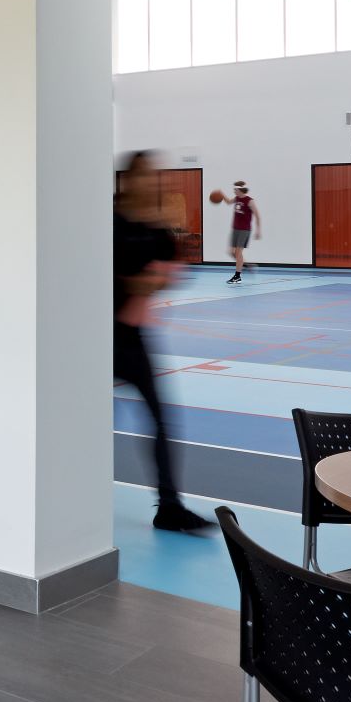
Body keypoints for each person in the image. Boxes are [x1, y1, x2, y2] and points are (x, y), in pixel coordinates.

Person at [116, 151, 210, 533]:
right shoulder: (111, 222)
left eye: (154, 177)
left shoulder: (153, 228)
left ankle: (169, 507)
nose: (150, 183)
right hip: (94, 338)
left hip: (132, 338)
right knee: (76, 422)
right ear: (127, 181)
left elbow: (173, 271)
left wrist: (151, 278)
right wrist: (141, 281)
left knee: (161, 419)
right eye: (143, 176)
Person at [217, 180, 261, 284]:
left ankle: (237, 277)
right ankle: (245, 265)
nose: (234, 191)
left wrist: (258, 231)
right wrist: (221, 194)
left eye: (235, 189)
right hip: (235, 229)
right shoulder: (236, 198)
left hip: (244, 230)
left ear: (240, 190)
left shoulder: (249, 201)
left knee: (238, 253)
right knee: (231, 252)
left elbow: (257, 215)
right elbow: (228, 202)